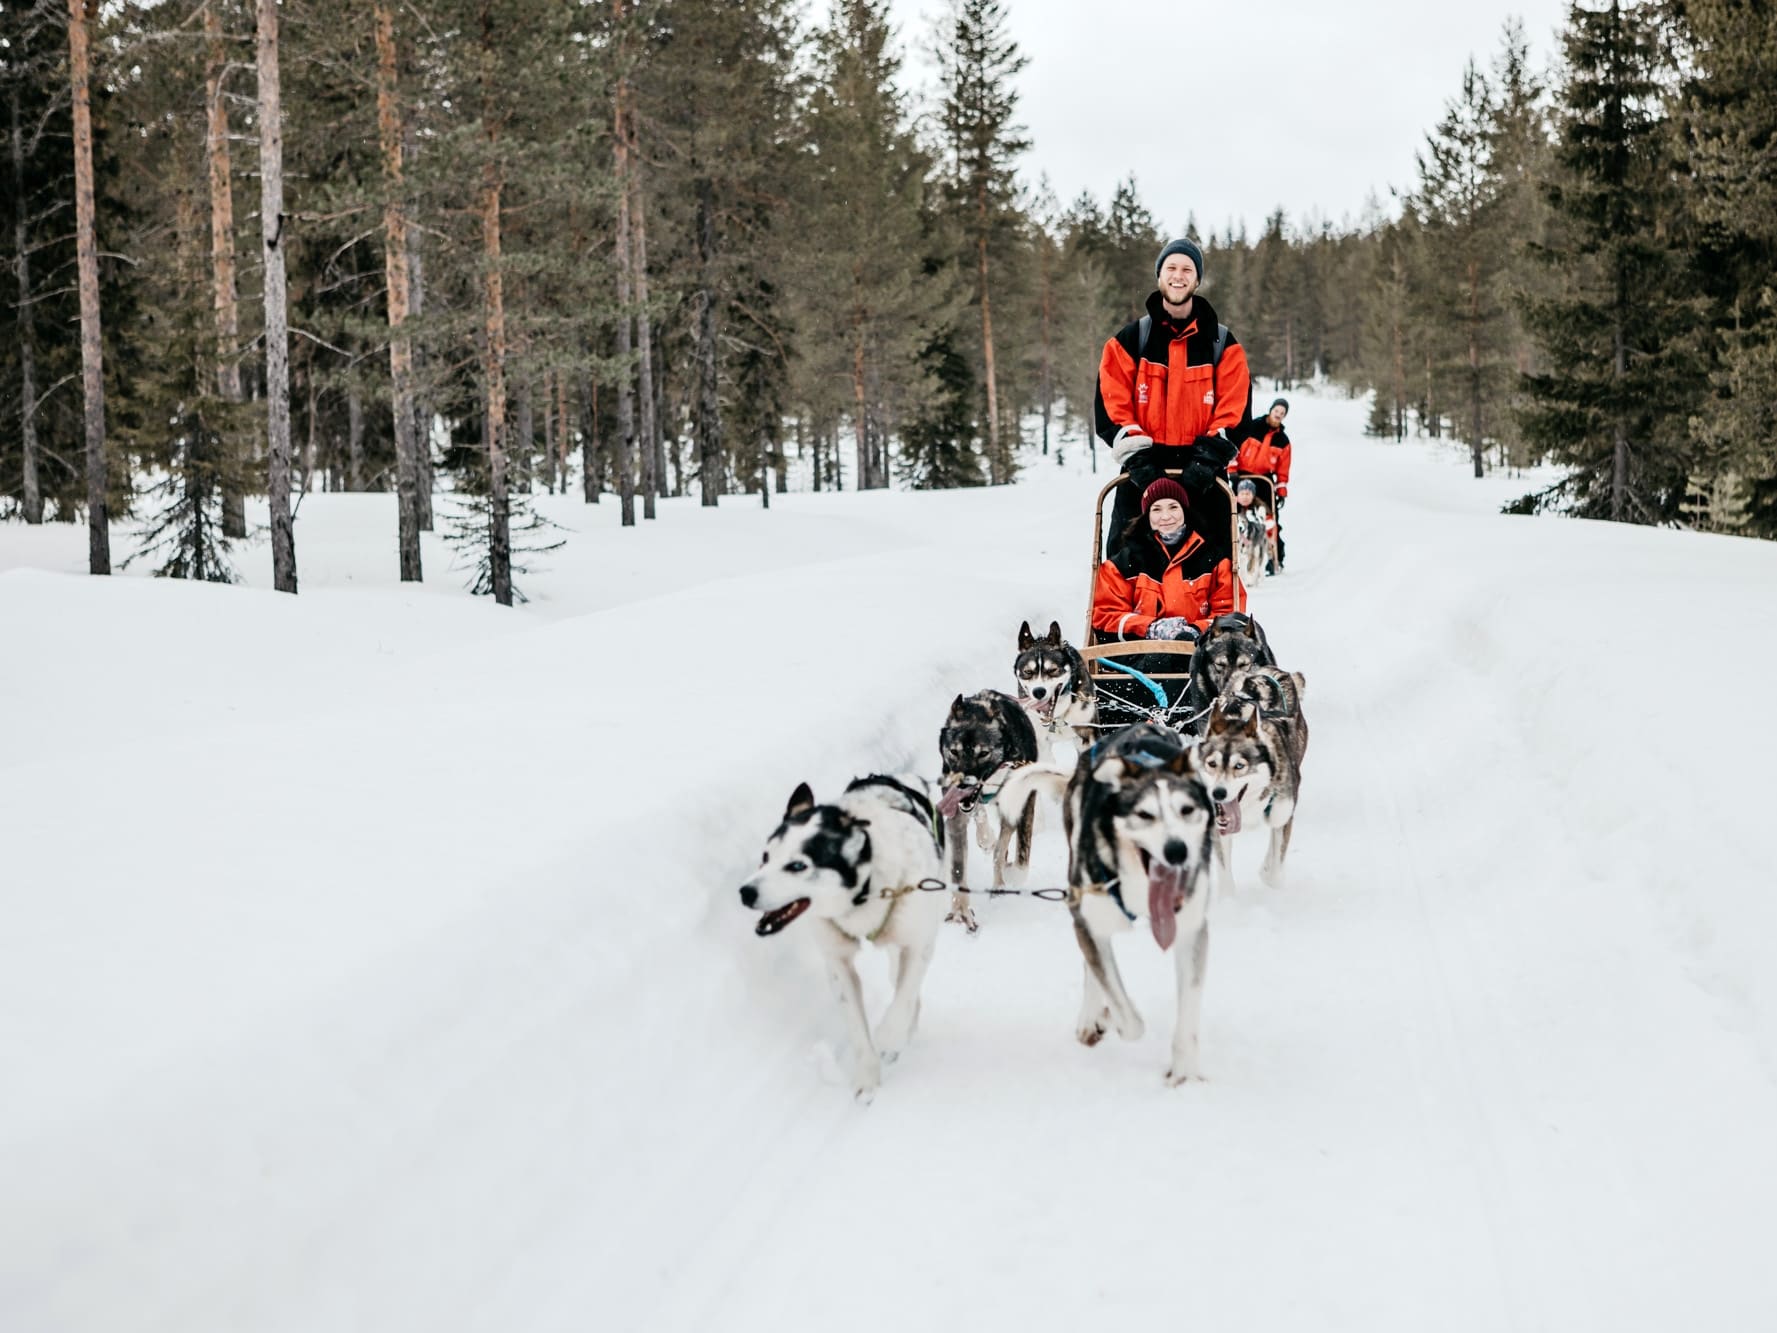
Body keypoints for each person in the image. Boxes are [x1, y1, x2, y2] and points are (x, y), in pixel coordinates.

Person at [1094, 237, 1253, 553]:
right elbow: (1112, 404)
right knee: (1124, 566)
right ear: (1159, 275)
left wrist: (1206, 462)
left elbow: (1235, 408)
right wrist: (1139, 460)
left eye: (1187, 269)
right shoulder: (1130, 340)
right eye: (1171, 267)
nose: (1178, 275)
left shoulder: (1222, 344)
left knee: (1215, 568)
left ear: (1197, 279)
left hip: (1204, 478)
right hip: (1141, 475)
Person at [1091, 477, 1241, 645]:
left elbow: (1229, 614)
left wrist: (1196, 630)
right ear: (1147, 516)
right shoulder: (1124, 563)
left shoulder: (1213, 560)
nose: (1166, 516)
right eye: (1156, 509)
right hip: (1141, 650)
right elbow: (1105, 615)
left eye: (1173, 507)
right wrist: (1151, 628)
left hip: (1202, 650)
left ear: (1184, 511)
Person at [1229, 396, 1291, 569]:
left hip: (1264, 480)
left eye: (1282, 413)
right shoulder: (1252, 427)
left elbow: (1283, 469)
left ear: (1284, 416)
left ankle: (1273, 557)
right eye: (1276, 410)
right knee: (1234, 513)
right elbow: (1235, 448)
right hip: (1242, 476)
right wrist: (1233, 471)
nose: (1278, 414)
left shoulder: (1283, 441)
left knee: (1269, 517)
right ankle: (1230, 553)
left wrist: (1281, 492)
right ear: (1271, 410)